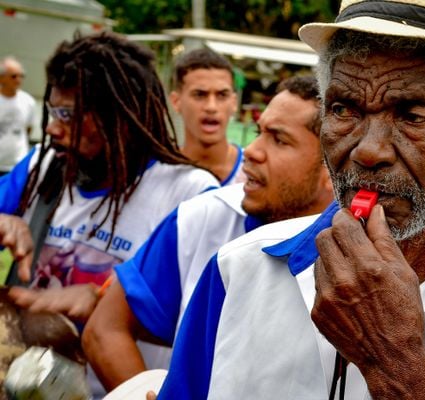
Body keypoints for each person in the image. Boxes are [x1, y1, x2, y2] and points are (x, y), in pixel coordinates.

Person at [157, 1, 425, 399]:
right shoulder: (238, 272)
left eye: (412, 115)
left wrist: (399, 368)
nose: (369, 151)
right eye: (344, 109)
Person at [0, 31, 219, 396]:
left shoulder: (188, 193)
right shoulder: (44, 167)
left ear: (118, 117)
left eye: (69, 114)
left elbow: (203, 320)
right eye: (52, 111)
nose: (53, 128)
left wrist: (101, 299)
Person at [83, 76, 334, 391]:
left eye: (279, 140)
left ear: (332, 166)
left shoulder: (360, 263)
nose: (252, 151)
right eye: (259, 133)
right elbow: (105, 330)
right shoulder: (202, 217)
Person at [169, 48, 245, 185]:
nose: (211, 107)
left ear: (234, 102)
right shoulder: (159, 174)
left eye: (222, 95)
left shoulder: (256, 172)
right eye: (199, 95)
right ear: (176, 102)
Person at [0, 56, 36, 174]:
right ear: (2, 78)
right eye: (13, 76)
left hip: (17, 163)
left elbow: (28, 129)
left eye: (21, 76)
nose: (18, 80)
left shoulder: (28, 101)